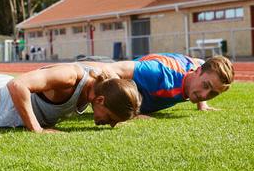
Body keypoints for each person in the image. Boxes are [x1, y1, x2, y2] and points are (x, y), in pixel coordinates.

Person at [0, 63, 141, 131]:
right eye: (112, 118)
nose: (111, 125)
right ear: (100, 100)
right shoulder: (70, 77)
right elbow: (17, 86)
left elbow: (120, 86)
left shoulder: (104, 86)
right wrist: (38, 130)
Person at [83, 54, 234, 114]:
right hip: (100, 66)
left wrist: (203, 105)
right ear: (198, 71)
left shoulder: (201, 68)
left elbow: (203, 65)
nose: (204, 95)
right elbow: (108, 69)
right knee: (73, 75)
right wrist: (130, 112)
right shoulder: (159, 74)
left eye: (213, 93)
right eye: (206, 86)